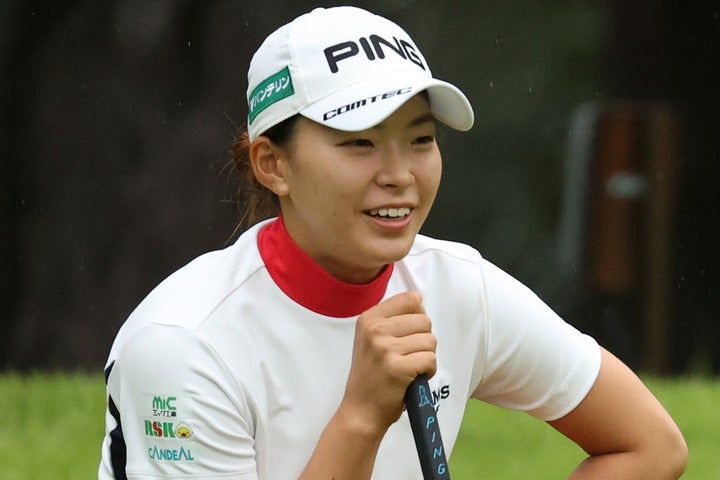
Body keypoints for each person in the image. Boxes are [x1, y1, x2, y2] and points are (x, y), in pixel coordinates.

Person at [98, 6, 687, 479]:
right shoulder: (183, 346)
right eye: (359, 144)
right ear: (273, 164)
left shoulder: (459, 287)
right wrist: (361, 415)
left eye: (420, 139)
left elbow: (652, 447)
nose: (400, 174)